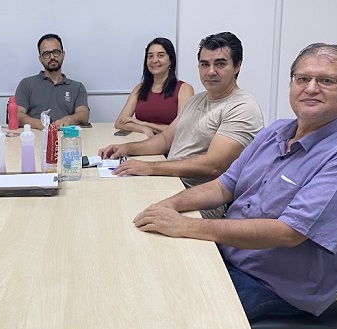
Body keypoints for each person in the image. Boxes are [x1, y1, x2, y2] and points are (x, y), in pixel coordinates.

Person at [133, 43, 337, 321]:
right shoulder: (276, 132)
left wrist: (185, 225)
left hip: (275, 286)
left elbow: (289, 232)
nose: (311, 88)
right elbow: (223, 185)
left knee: (169, 313)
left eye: (326, 81)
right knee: (147, 270)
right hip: (231, 254)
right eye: (302, 79)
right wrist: (166, 206)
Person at [99, 32, 263, 218]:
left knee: (126, 214)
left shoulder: (243, 107)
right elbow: (164, 140)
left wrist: (150, 167)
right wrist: (125, 148)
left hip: (201, 200)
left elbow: (213, 165)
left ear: (237, 65)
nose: (210, 71)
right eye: (204, 64)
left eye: (220, 64)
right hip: (170, 182)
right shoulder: (196, 100)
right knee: (110, 199)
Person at [114, 37, 194, 136]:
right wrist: (143, 129)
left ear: (170, 60)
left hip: (170, 145)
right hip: (142, 142)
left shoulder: (184, 89)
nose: (154, 60)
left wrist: (145, 124)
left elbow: (182, 128)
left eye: (160, 55)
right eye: (150, 56)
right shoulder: (139, 88)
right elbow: (119, 123)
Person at [15, 33, 90, 129]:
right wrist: (37, 124)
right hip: (37, 135)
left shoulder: (77, 87)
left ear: (63, 54)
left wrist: (69, 119)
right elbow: (17, 114)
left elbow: (84, 114)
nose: (52, 57)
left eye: (56, 52)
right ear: (40, 59)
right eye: (46, 54)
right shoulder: (27, 84)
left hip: (66, 135)